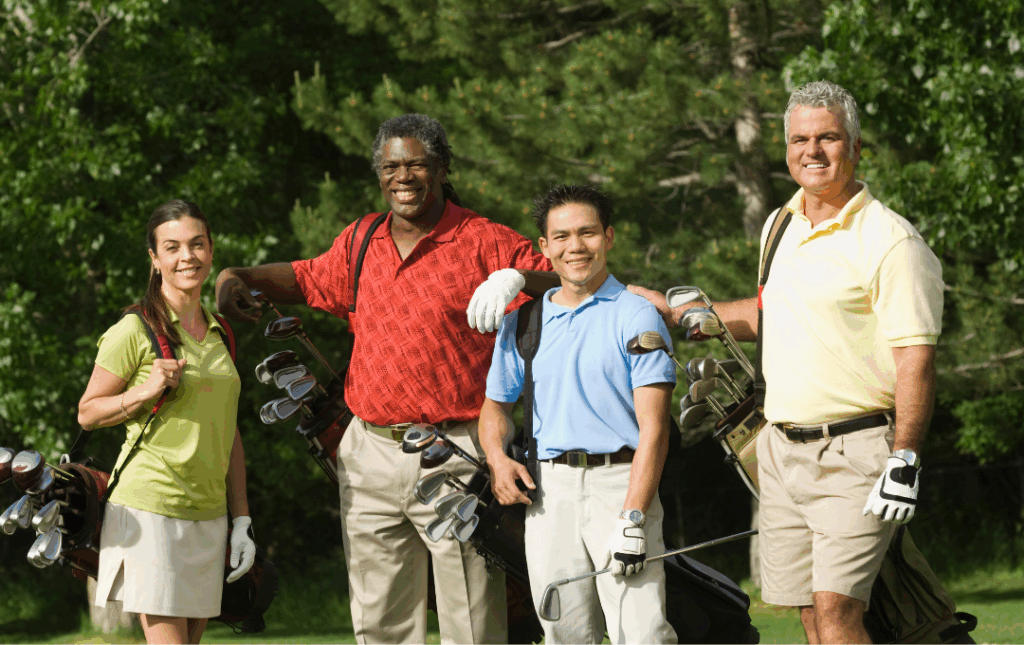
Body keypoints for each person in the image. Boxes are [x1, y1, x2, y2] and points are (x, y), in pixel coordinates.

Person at [214, 113, 554, 644]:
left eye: (417, 164)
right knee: (379, 623)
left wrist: (519, 276)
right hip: (367, 453)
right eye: (391, 166)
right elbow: (305, 277)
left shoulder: (484, 240)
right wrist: (236, 277)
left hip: (455, 450)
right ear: (378, 174)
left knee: (471, 619)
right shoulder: (361, 239)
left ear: (441, 169)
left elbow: (571, 278)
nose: (404, 176)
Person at [630, 80, 944, 644]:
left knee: (838, 610)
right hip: (778, 450)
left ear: (854, 146)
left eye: (828, 138)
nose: (813, 151)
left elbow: (916, 360)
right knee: (805, 611)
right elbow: (767, 313)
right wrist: (681, 315)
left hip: (856, 451)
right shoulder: (781, 222)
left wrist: (907, 459)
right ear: (786, 148)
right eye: (801, 139)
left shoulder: (891, 241)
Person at [479, 184, 678, 644]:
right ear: (544, 248)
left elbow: (655, 429)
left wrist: (633, 518)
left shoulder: (637, 315)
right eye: (562, 236)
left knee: (642, 633)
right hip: (549, 493)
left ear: (608, 237)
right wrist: (496, 456)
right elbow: (494, 407)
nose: (576, 247)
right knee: (563, 633)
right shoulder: (522, 322)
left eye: (587, 233)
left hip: (622, 487)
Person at [78, 200, 256, 645]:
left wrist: (242, 520)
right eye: (172, 247)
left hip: (209, 515)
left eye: (197, 245)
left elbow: (227, 431)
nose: (187, 257)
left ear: (211, 251)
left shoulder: (222, 332)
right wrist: (143, 391)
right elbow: (88, 411)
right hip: (149, 508)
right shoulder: (134, 330)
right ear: (155, 260)